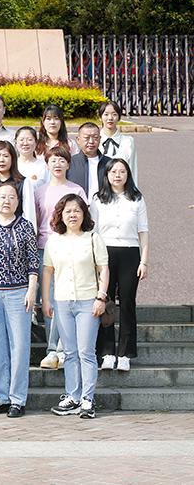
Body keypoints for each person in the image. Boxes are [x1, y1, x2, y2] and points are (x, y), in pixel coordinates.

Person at [43, 195, 109, 419]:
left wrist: (101, 297)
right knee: (70, 353)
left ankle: (88, 399)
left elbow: (103, 268)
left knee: (86, 352)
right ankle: (72, 396)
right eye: (68, 211)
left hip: (88, 301)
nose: (72, 215)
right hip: (62, 302)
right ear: (60, 215)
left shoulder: (93, 238)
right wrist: (46, 300)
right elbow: (48, 271)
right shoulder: (54, 240)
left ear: (84, 214)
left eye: (77, 211)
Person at [0, 181, 39, 418]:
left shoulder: (25, 226)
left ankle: (17, 399)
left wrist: (32, 290)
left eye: (11, 197)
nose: (6, 201)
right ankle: (2, 396)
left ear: (18, 201)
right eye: (2, 197)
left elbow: (33, 261)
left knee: (20, 346)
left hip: (19, 292)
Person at [92, 159, 149, 372]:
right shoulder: (98, 199)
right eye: (113, 171)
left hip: (130, 253)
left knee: (127, 302)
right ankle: (107, 352)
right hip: (104, 253)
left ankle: (125, 353)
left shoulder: (137, 198)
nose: (117, 175)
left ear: (128, 175)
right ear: (106, 175)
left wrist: (144, 261)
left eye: (122, 171)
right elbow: (93, 231)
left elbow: (143, 231)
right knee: (105, 301)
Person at [34, 146, 87, 370]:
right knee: (49, 300)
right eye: (53, 160)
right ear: (47, 164)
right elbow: (36, 221)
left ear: (68, 164)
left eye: (62, 160)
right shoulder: (39, 191)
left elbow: (83, 220)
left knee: (63, 298)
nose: (57, 164)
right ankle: (53, 349)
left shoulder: (76, 190)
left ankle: (61, 349)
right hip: (44, 248)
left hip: (69, 249)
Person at [0, 140, 37, 232]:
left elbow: (29, 214)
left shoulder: (23, 182)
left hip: (18, 232)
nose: (1, 160)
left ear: (13, 158)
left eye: (6, 156)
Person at [67, 122, 111, 203]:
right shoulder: (69, 163)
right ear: (78, 140)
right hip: (78, 208)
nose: (91, 141)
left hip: (105, 207)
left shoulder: (109, 163)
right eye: (86, 138)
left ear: (100, 139)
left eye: (95, 137)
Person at [98, 100, 138, 181]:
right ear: (100, 117)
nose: (110, 118)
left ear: (119, 117)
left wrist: (134, 188)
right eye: (106, 114)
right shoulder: (94, 142)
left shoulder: (128, 141)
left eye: (114, 114)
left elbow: (132, 169)